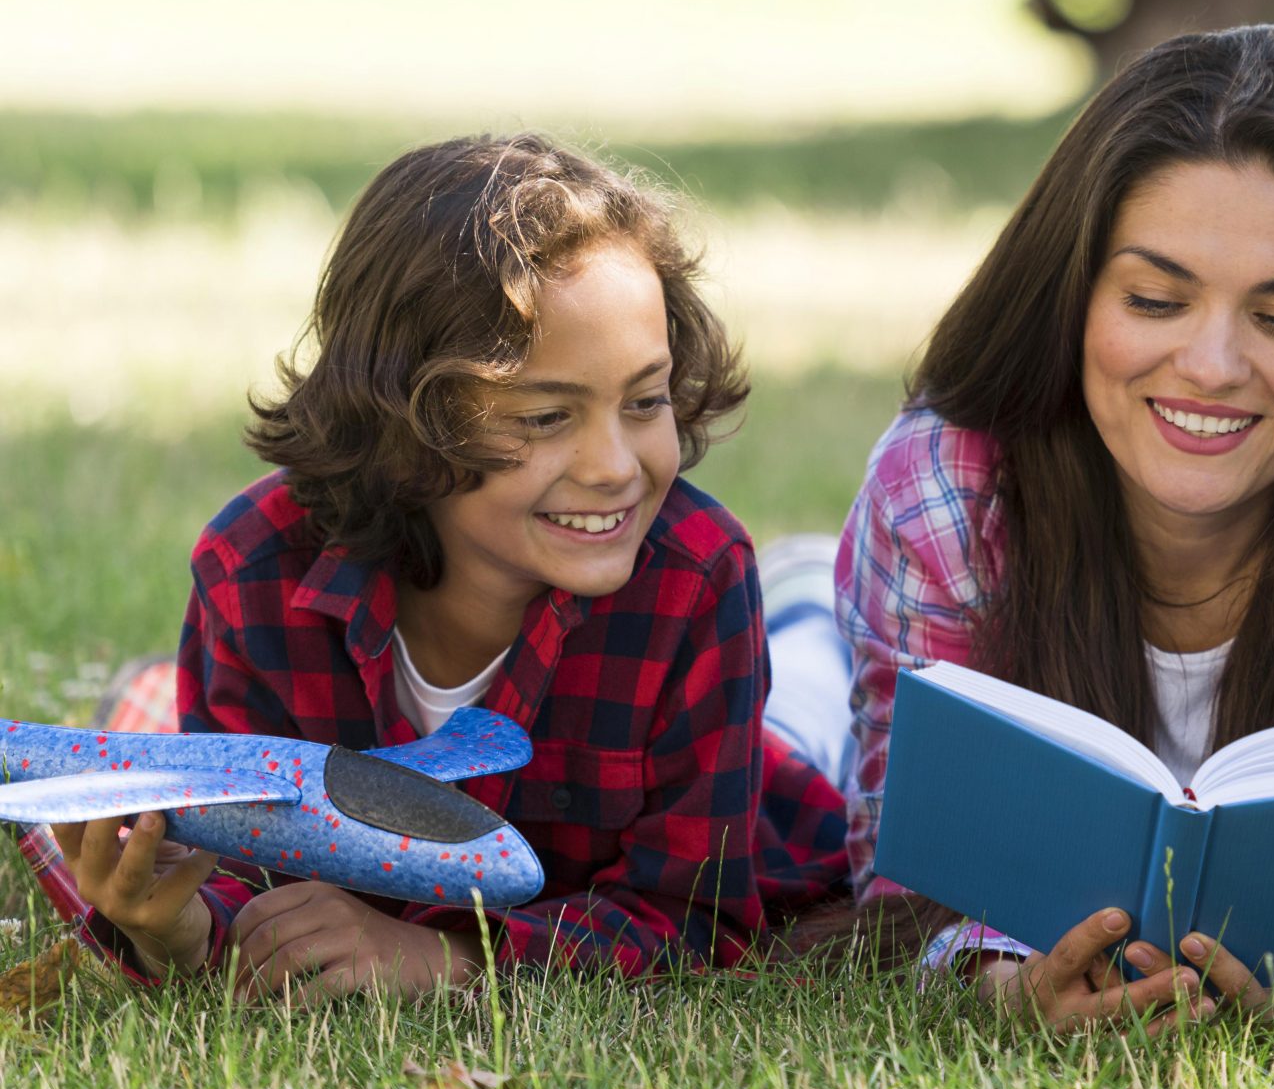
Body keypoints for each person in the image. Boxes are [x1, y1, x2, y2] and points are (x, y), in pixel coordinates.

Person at [790, 24, 1274, 1031]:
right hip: (817, 656)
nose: (1212, 366)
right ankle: (792, 597)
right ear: (1072, 291)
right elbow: (907, 877)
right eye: (1154, 299)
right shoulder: (944, 487)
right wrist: (1006, 987)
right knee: (790, 702)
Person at [41, 134, 849, 998]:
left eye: (644, 400)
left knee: (814, 693)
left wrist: (451, 960)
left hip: (781, 771)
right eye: (546, 418)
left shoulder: (696, 577)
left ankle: (808, 588)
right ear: (402, 419)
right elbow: (247, 877)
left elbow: (696, 916)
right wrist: (187, 925)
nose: (617, 465)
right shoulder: (255, 567)